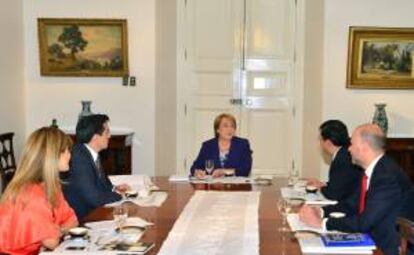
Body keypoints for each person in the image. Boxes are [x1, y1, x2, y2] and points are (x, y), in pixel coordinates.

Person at [299, 124, 412, 255]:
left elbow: (364, 222)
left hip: (387, 248)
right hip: (373, 240)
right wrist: (320, 211)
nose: (349, 149)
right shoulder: (374, 170)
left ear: (364, 147)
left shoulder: (386, 177)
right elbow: (351, 204)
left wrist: (323, 223)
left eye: (351, 144)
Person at [0, 127, 78, 255]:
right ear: (53, 156)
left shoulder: (51, 186)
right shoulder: (32, 194)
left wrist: (58, 230)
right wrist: (60, 231)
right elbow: (52, 242)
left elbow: (73, 219)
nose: (70, 154)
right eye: (66, 150)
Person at [62, 114, 129, 219]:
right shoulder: (79, 158)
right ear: (95, 136)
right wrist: (123, 196)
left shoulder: (90, 153)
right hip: (84, 219)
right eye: (107, 132)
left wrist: (115, 188)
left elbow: (102, 185)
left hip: (95, 213)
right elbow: (95, 199)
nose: (109, 136)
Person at [307, 120, 361, 201]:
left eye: (321, 139)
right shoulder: (344, 152)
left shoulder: (343, 158)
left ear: (328, 142)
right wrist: (322, 184)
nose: (320, 143)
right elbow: (340, 183)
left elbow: (333, 194)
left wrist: (320, 187)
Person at [190, 113, 252, 178]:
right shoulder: (208, 146)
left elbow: (245, 170)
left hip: (236, 186)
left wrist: (224, 171)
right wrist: (198, 172)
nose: (230, 129)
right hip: (213, 186)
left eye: (232, 126)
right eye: (225, 126)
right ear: (217, 129)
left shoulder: (242, 144)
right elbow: (194, 168)